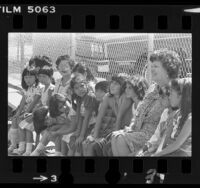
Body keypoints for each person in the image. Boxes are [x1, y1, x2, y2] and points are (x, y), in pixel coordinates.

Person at [110, 49, 181, 156]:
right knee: (115, 136)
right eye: (151, 66)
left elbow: (169, 125)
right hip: (139, 132)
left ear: (168, 70)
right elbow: (140, 110)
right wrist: (132, 127)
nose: (151, 69)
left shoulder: (175, 91)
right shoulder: (153, 87)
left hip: (154, 137)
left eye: (156, 66)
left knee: (120, 139)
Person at [138, 78, 191, 157]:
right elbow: (165, 139)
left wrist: (156, 155)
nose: (169, 97)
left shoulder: (190, 119)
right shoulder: (175, 114)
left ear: (181, 96)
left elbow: (176, 145)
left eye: (171, 93)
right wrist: (152, 152)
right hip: (170, 152)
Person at [82, 74, 133, 156]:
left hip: (124, 129)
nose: (112, 85)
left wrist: (113, 138)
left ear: (123, 87)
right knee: (86, 143)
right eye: (112, 82)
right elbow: (100, 117)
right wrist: (94, 136)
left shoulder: (125, 98)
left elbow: (119, 118)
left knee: (96, 146)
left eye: (116, 84)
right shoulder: (108, 97)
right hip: (115, 129)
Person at [111, 75, 149, 156]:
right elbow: (133, 122)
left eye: (129, 88)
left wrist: (129, 129)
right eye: (126, 87)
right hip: (135, 132)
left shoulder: (142, 104)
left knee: (120, 138)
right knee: (114, 135)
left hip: (144, 135)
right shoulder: (133, 105)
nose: (126, 90)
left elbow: (139, 126)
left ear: (137, 89)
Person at [8, 66, 42, 155]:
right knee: (15, 120)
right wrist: (18, 113)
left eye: (30, 77)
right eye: (26, 77)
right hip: (28, 111)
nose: (28, 79)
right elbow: (23, 101)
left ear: (36, 77)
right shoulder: (27, 88)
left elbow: (34, 103)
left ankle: (27, 150)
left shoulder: (38, 87)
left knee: (24, 125)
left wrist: (24, 114)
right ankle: (15, 145)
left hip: (36, 112)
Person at [67, 75, 99, 156]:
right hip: (86, 127)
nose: (80, 89)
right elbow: (80, 117)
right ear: (73, 90)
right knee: (73, 139)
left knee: (79, 143)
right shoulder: (80, 98)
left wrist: (81, 135)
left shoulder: (89, 96)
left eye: (82, 86)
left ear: (86, 85)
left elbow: (87, 118)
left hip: (93, 127)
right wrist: (78, 131)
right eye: (76, 88)